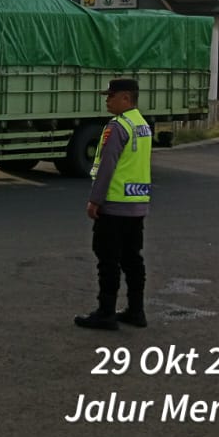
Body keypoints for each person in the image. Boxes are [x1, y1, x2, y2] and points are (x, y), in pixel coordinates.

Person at [75, 78, 152, 331]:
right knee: (132, 259)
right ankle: (136, 311)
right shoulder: (142, 124)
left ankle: (105, 313)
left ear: (126, 98)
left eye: (111, 96)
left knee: (108, 260)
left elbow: (106, 167)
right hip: (137, 204)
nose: (107, 100)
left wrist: (95, 201)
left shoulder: (117, 126)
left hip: (115, 205)